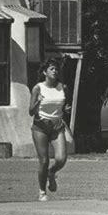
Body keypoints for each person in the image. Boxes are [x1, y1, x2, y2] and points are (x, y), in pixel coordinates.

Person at [29, 57, 71, 202]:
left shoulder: (63, 87)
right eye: (52, 68)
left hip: (57, 126)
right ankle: (42, 192)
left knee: (61, 159)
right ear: (45, 72)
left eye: (56, 69)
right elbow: (31, 111)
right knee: (44, 160)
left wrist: (66, 109)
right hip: (40, 126)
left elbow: (64, 106)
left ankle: (51, 173)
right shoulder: (38, 88)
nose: (55, 71)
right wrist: (38, 101)